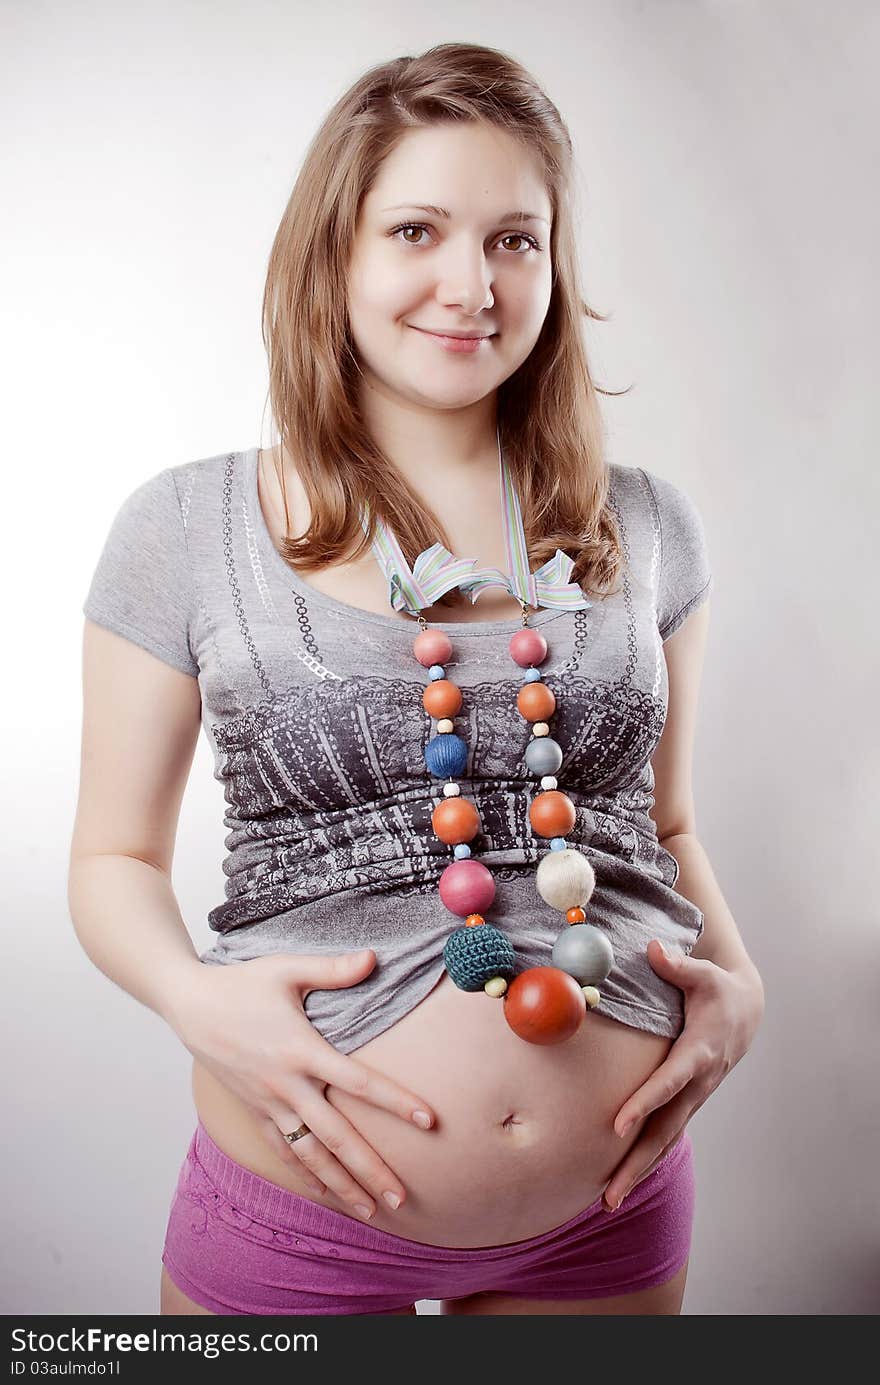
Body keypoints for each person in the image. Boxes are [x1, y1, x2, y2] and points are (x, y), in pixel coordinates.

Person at [69, 42, 764, 1317]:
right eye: (417, 230)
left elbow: (666, 826)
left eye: (514, 239)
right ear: (334, 255)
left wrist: (742, 991)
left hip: (605, 1217)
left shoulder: (651, 527)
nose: (470, 284)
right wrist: (194, 1002)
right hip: (304, 1213)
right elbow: (110, 857)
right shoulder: (186, 527)